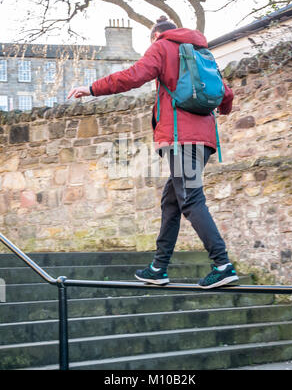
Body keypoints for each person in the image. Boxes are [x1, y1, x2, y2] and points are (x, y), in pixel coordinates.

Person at [67, 16, 239, 289]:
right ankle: (159, 267)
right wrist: (220, 112)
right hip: (203, 141)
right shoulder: (201, 52)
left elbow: (133, 76)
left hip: (180, 141)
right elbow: (225, 95)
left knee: (191, 199)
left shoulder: (162, 46)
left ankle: (223, 265)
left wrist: (90, 89)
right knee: (172, 200)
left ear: (157, 35)